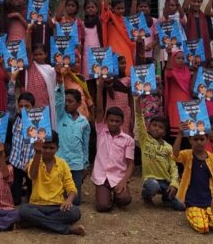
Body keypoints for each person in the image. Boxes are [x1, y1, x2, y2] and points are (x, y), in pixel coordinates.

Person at [17, 133, 84, 236]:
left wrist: (69, 200)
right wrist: (38, 153)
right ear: (40, 147)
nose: (48, 151)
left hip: (57, 206)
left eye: (51, 148)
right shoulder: (34, 161)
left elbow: (71, 188)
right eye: (45, 147)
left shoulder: (62, 164)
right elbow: (32, 176)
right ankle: (67, 229)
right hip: (37, 205)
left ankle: (36, 222)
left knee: (75, 212)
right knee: (23, 210)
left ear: (57, 148)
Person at [172, 125, 213, 234]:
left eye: (202, 139)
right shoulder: (187, 155)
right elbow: (174, 155)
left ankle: (205, 214)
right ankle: (195, 213)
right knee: (202, 227)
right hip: (192, 201)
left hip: (208, 200)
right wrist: (180, 135)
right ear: (190, 140)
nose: (199, 142)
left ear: (207, 139)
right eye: (195, 139)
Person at [133, 95, 184, 210]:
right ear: (149, 127)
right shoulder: (145, 140)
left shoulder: (168, 147)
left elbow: (174, 167)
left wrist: (174, 184)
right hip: (150, 180)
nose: (156, 128)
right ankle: (146, 196)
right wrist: (137, 102)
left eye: (160, 127)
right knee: (153, 186)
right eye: (154, 125)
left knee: (180, 206)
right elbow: (140, 119)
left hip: (165, 182)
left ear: (165, 132)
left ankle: (166, 198)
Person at [92, 78, 134, 212]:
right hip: (102, 176)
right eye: (111, 120)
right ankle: (104, 194)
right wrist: (99, 89)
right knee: (103, 207)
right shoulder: (101, 131)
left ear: (122, 122)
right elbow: (99, 110)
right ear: (106, 120)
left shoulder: (128, 140)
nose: (114, 123)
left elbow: (130, 164)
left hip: (118, 177)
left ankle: (117, 193)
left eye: (117, 121)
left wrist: (123, 181)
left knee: (125, 199)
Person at [55, 68, 90, 205]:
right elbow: (58, 99)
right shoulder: (60, 116)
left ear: (79, 104)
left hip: (76, 164)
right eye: (66, 101)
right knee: (58, 198)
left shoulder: (84, 122)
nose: (66, 103)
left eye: (70, 101)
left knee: (75, 201)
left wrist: (85, 164)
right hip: (60, 162)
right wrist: (59, 81)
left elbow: (85, 145)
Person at [9, 90, 36, 205]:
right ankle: (18, 195)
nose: (23, 108)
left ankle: (29, 195)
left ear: (33, 106)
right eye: (20, 106)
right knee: (16, 198)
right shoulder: (14, 119)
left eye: (27, 106)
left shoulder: (38, 122)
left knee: (32, 193)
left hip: (31, 162)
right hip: (16, 162)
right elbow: (10, 99)